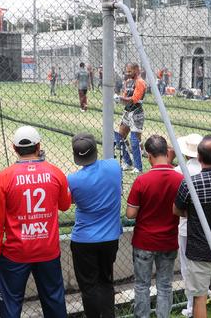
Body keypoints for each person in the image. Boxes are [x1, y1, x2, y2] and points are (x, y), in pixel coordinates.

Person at [0, 126, 70, 318]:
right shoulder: (55, 173)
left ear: (14, 148)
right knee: (54, 300)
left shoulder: (4, 177)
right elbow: (65, 206)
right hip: (48, 250)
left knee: (11, 304)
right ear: (38, 146)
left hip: (15, 252)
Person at [173, 135, 211, 318]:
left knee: (199, 297)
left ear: (199, 158)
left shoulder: (191, 184)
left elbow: (176, 210)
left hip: (199, 249)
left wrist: (192, 215)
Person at [127, 135, 184, 318]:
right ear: (167, 152)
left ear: (149, 155)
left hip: (144, 241)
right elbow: (183, 210)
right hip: (168, 240)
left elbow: (130, 214)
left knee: (142, 285)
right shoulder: (179, 179)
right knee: (165, 285)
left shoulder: (142, 181)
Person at [67, 133, 122, 317]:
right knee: (106, 282)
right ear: (96, 151)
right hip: (110, 238)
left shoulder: (73, 180)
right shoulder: (114, 167)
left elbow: (69, 202)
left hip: (84, 240)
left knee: (89, 287)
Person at [174, 133, 203, 318]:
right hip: (207, 225)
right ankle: (202, 295)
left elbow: (177, 205)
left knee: (188, 266)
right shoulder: (207, 169)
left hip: (186, 225)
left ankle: (192, 305)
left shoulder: (179, 171)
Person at [114, 62, 147, 173]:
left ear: (137, 70)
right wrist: (119, 99)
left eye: (130, 71)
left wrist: (120, 99)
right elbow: (125, 97)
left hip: (137, 113)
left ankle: (138, 167)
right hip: (127, 112)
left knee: (134, 140)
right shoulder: (128, 82)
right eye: (126, 71)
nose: (127, 73)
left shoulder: (140, 82)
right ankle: (128, 162)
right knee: (119, 137)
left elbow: (134, 99)